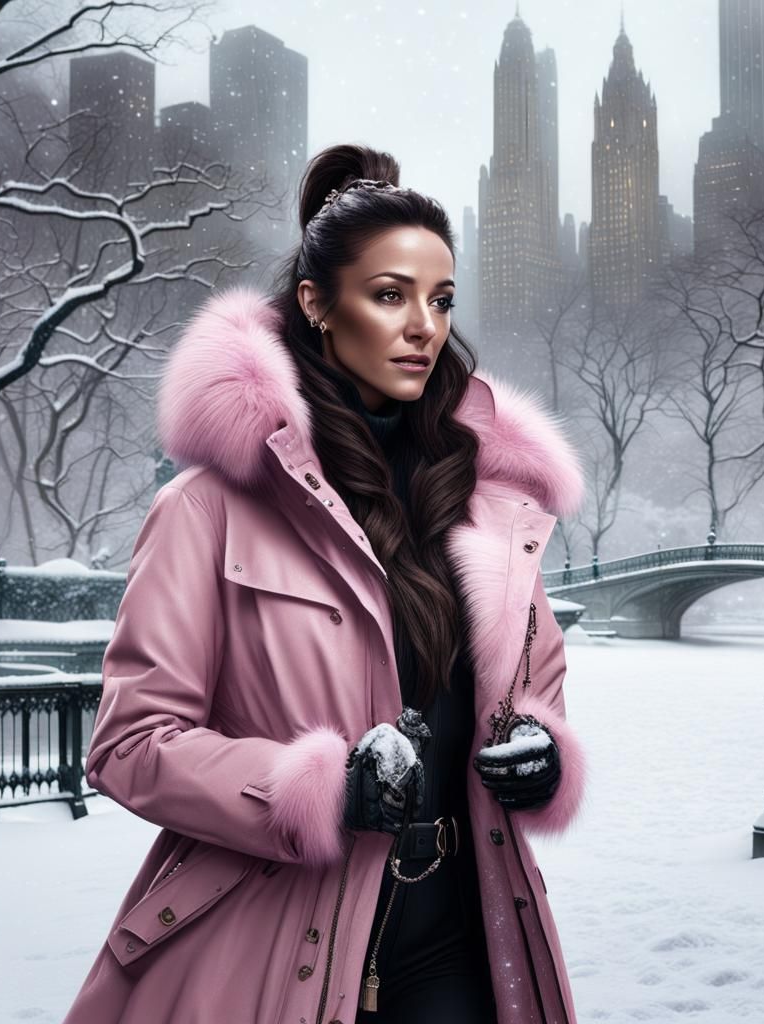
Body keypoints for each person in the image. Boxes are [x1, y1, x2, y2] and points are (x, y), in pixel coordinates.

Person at [62, 143, 587, 1024]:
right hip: (275, 935)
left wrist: (543, 754)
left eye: (441, 299)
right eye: (390, 295)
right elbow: (131, 743)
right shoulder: (210, 507)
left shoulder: (492, 507)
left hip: (465, 932)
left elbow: (535, 692)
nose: (425, 325)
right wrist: (315, 788)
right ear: (317, 304)